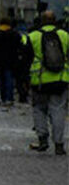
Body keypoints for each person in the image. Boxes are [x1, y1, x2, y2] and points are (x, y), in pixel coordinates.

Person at [26, 10, 68, 155]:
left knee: (39, 109)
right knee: (58, 111)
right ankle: (59, 144)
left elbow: (25, 59)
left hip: (39, 80)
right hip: (61, 79)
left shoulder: (32, 37)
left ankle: (43, 138)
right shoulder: (65, 35)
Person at [0, 17, 20, 106]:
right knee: (9, 78)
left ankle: (3, 96)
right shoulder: (14, 34)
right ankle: (9, 97)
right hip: (11, 60)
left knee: (2, 78)